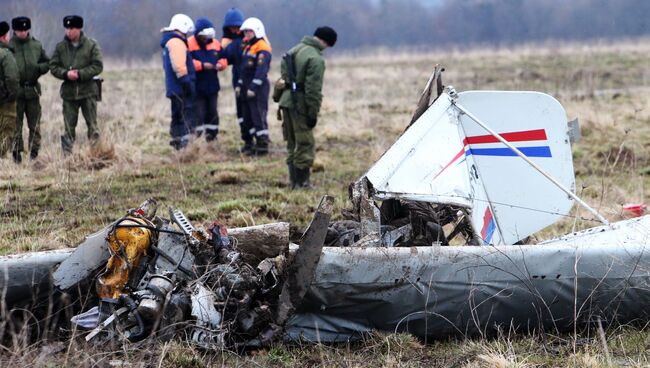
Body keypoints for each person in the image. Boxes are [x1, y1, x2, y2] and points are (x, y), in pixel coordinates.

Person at [278, 26, 337, 188]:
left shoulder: (294, 50)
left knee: (291, 142)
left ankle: (293, 182)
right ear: (326, 42)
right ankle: (302, 183)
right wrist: (312, 113)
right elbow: (313, 90)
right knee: (305, 143)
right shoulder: (315, 58)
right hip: (301, 105)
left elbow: (283, 76)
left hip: (286, 101)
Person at [49, 15, 103, 155]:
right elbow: (53, 66)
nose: (68, 31)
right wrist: (66, 74)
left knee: (93, 126)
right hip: (69, 94)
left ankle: (96, 155)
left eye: (72, 28)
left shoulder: (91, 45)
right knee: (68, 127)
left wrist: (80, 74)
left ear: (79, 28)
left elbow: (97, 66)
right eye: (66, 28)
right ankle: (67, 158)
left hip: (88, 92)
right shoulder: (61, 48)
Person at [9, 16, 49, 163]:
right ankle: (16, 153)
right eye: (20, 30)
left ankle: (34, 152)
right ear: (14, 30)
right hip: (15, 92)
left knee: (35, 123)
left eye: (26, 30)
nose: (23, 32)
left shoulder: (36, 45)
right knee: (15, 124)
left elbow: (47, 62)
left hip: (32, 91)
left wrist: (39, 69)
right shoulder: (8, 46)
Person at [160, 14, 196, 150]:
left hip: (173, 87)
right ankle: (183, 146)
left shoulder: (168, 43)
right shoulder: (177, 43)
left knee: (176, 115)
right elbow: (179, 66)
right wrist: (187, 84)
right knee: (182, 116)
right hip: (180, 87)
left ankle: (176, 140)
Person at [238, 17, 272, 156]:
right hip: (247, 87)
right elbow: (244, 69)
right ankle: (251, 144)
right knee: (248, 116)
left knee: (258, 115)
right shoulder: (248, 47)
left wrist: (253, 87)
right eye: (245, 31)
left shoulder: (262, 47)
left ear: (257, 31)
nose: (246, 34)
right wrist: (240, 84)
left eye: (249, 31)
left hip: (258, 88)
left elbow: (261, 70)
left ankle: (262, 145)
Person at [188, 17, 225, 142]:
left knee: (212, 112)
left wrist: (221, 64)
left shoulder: (215, 43)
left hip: (213, 86)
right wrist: (202, 66)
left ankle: (212, 138)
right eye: (204, 36)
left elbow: (223, 57)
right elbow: (186, 62)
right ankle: (197, 141)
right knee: (199, 113)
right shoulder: (189, 44)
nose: (207, 38)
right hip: (197, 87)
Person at [219, 8, 247, 151]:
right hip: (237, 81)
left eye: (237, 27)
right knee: (241, 111)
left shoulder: (250, 41)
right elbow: (222, 56)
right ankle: (247, 140)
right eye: (232, 27)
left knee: (253, 111)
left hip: (252, 82)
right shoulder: (229, 44)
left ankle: (260, 141)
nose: (235, 30)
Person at [0, 21, 19, 159]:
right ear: (4, 37)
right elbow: (12, 78)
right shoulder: (6, 55)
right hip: (5, 102)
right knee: (6, 131)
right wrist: (11, 96)